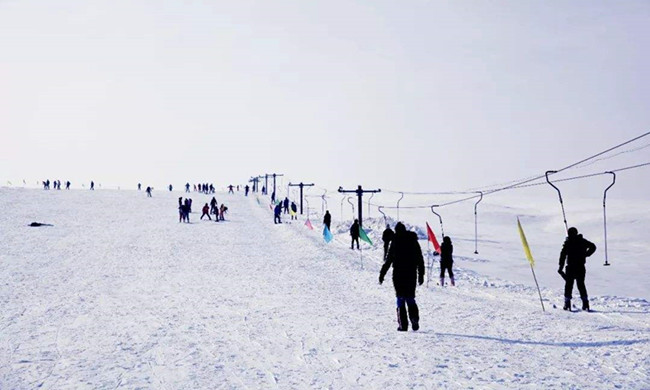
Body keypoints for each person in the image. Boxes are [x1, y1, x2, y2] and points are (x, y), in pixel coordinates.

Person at [379, 222, 425, 331]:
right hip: (411, 273)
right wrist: (421, 275)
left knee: (400, 298)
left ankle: (403, 325)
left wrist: (382, 274)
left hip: (398, 274)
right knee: (410, 297)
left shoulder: (395, 241)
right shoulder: (413, 241)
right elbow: (420, 259)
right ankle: (414, 318)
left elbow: (389, 259)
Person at [559, 227, 597, 311]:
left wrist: (560, 267)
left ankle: (567, 303)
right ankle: (585, 303)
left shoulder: (568, 243)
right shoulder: (582, 241)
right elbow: (593, 246)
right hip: (580, 266)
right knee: (581, 285)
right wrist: (586, 254)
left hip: (571, 267)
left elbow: (563, 256)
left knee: (569, 285)